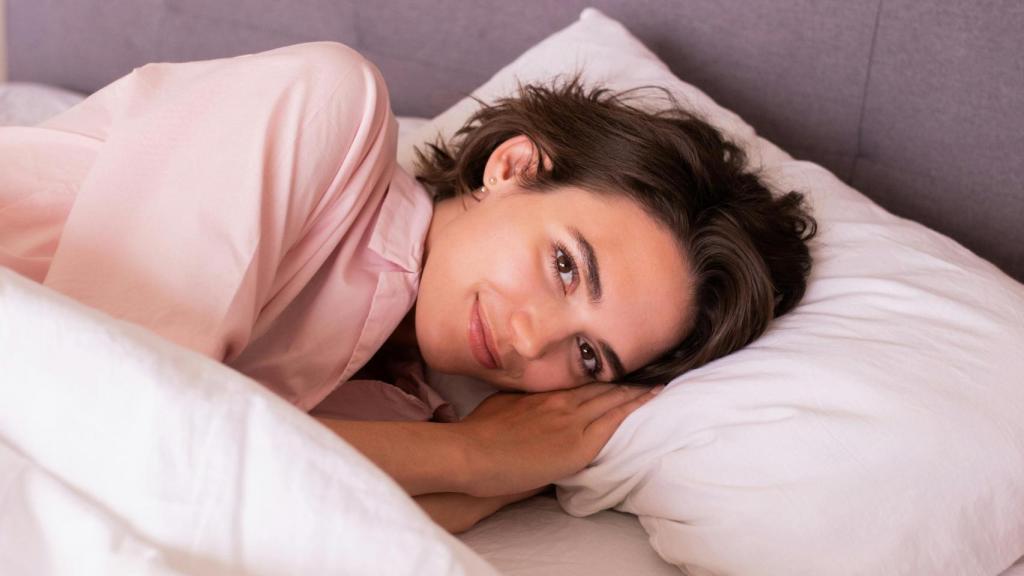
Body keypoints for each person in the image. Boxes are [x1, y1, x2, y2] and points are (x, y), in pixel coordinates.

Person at [0, 42, 816, 533]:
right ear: (512, 167)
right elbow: (108, 413)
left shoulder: (400, 406)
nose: (533, 342)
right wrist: (469, 456)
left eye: (589, 355)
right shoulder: (329, 104)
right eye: (566, 265)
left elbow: (276, 533)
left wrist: (486, 473)